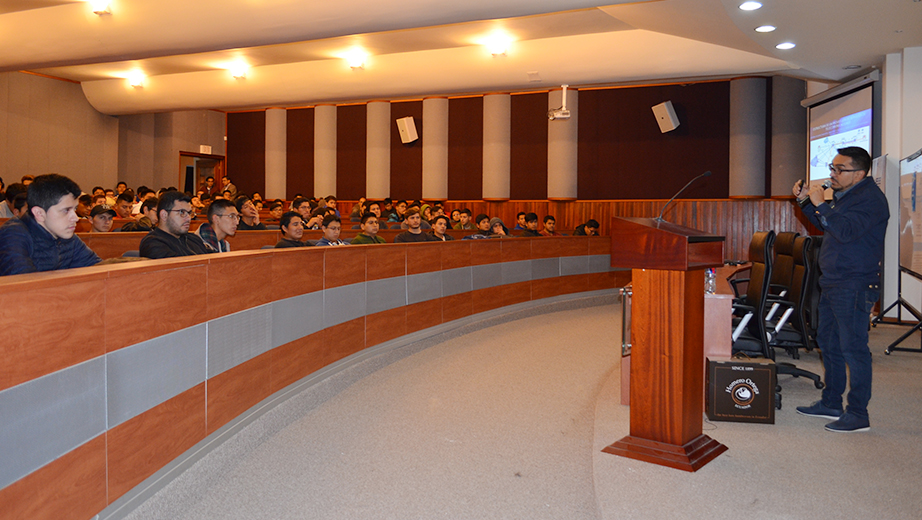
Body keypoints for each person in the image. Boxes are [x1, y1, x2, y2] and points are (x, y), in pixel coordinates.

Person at [793, 147, 889, 433]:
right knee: (829, 343)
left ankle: (858, 413)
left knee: (853, 349)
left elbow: (846, 231)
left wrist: (821, 204)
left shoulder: (872, 200)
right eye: (832, 168)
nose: (832, 174)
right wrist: (805, 204)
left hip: (855, 284)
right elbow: (828, 227)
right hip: (834, 281)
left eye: (839, 169)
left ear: (858, 173)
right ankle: (831, 401)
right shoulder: (847, 196)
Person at [0, 174, 100, 276]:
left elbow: (97, 268)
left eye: (74, 209)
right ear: (39, 213)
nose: (75, 218)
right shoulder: (12, 236)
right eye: (66, 210)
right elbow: (26, 286)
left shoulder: (67, 236)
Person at [138, 191, 209, 258]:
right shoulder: (152, 243)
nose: (188, 218)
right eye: (182, 212)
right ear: (164, 215)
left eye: (189, 213)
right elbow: (181, 268)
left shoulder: (194, 239)